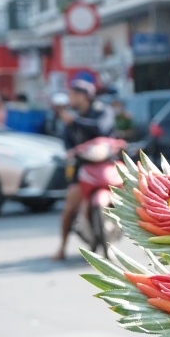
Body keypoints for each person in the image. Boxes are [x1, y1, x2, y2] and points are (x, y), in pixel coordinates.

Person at [53, 79, 115, 260]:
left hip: (106, 164)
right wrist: (69, 152)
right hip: (83, 167)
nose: (71, 98)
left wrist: (76, 121)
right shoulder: (71, 117)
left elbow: (101, 128)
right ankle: (62, 247)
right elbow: (67, 141)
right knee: (69, 208)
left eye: (74, 95)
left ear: (84, 96)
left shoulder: (102, 110)